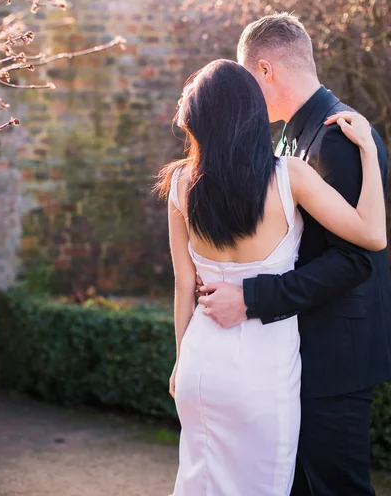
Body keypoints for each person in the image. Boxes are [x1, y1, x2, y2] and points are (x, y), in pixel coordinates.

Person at [155, 57, 387, 496]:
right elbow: (372, 236)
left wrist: (182, 359)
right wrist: (370, 154)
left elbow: (184, 285)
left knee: (199, 483)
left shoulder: (181, 181)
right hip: (261, 367)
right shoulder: (288, 176)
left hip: (200, 362)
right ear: (249, 112)